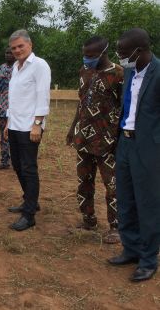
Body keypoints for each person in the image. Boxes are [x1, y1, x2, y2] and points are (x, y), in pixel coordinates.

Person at [108, 28, 160, 282]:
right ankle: (131, 249)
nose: (121, 57)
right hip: (125, 144)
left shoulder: (159, 73)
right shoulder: (129, 71)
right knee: (125, 199)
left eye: (125, 53)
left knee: (147, 204)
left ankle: (149, 259)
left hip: (148, 148)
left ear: (140, 50)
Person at [66, 36, 123, 244]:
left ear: (104, 53)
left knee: (113, 185)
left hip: (108, 140)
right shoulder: (85, 71)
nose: (86, 59)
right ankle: (88, 219)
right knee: (84, 181)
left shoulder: (118, 74)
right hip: (83, 138)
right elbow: (82, 104)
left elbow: (123, 108)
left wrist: (119, 137)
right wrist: (73, 128)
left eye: (90, 56)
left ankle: (116, 226)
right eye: (84, 54)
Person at [4, 29, 51, 231]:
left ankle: (29, 215)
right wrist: (8, 122)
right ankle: (30, 200)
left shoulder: (39, 65)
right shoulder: (16, 67)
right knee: (17, 165)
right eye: (14, 48)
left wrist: (38, 125)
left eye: (20, 46)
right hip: (15, 124)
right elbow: (14, 98)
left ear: (30, 45)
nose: (17, 50)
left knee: (29, 168)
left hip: (30, 127)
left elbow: (43, 96)